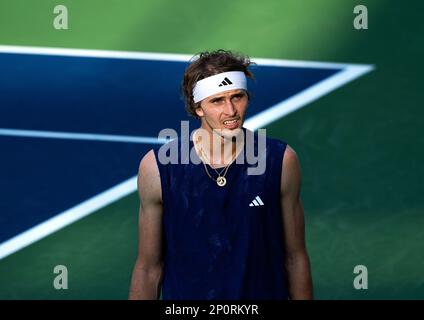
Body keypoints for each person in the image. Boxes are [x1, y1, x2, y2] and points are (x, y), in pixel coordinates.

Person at [129, 50, 313, 300]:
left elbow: (295, 257)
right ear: (198, 107)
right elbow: (149, 268)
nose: (231, 111)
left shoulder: (280, 161)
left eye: (238, 97)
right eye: (217, 101)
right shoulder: (158, 167)